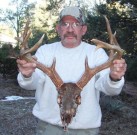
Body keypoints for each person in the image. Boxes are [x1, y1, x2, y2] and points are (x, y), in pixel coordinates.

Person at [17, 6, 127, 135]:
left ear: (83, 29)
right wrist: (27, 75)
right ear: (58, 29)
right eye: (65, 24)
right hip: (48, 128)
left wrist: (114, 77)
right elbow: (31, 84)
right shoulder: (45, 51)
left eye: (76, 24)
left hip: (85, 130)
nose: (70, 29)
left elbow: (110, 89)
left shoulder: (96, 53)